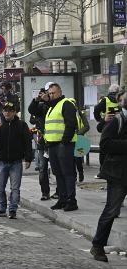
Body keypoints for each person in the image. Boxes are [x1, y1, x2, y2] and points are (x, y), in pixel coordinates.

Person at [90, 90, 127, 262]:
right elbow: (105, 144)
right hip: (119, 173)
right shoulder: (117, 121)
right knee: (111, 210)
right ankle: (98, 246)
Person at [0, 102, 33, 219]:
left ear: (14, 112)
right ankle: (1, 208)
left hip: (16, 162)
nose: (7, 112)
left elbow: (27, 142)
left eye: (10, 110)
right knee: (0, 187)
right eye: (5, 110)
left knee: (15, 188)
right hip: (2, 162)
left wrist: (28, 158)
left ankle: (13, 210)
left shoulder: (22, 125)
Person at [45, 83, 79, 211]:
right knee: (58, 173)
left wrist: (64, 141)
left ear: (60, 92)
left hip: (64, 145)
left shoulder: (66, 104)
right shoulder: (51, 107)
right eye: (50, 93)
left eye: (54, 93)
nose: (52, 95)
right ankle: (62, 199)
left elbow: (71, 124)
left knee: (68, 173)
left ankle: (71, 200)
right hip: (53, 145)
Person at [28, 86, 52, 200]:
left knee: (57, 169)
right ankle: (45, 192)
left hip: (55, 142)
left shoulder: (53, 104)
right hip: (43, 142)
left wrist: (48, 100)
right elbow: (31, 111)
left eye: (46, 93)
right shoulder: (40, 106)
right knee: (42, 168)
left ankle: (60, 192)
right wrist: (36, 100)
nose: (43, 95)